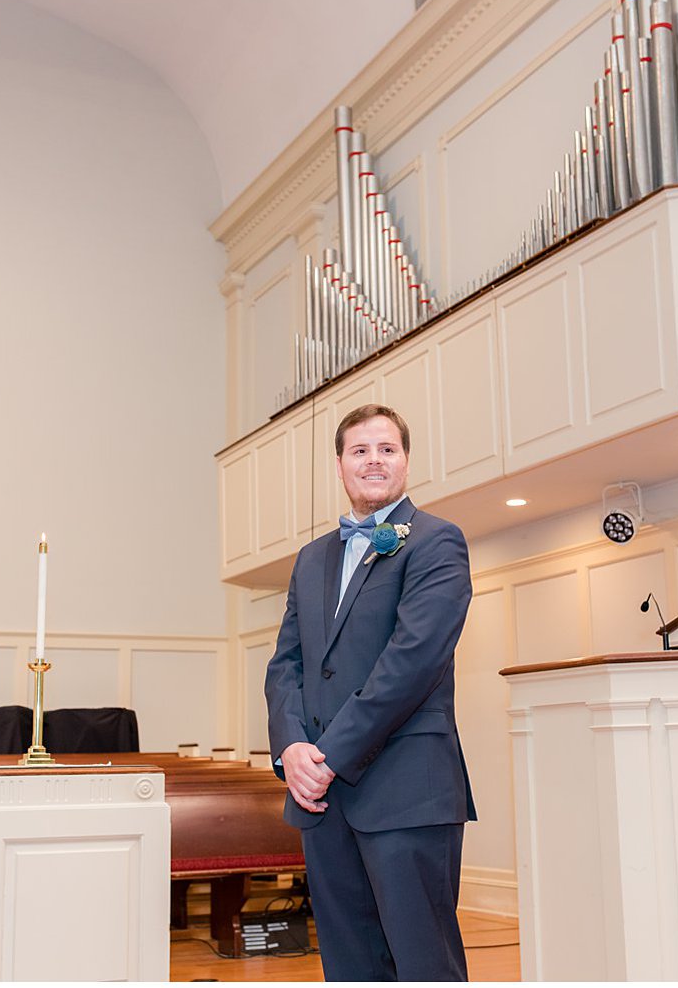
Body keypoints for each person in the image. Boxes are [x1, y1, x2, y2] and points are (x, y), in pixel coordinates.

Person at [265, 403, 476, 981]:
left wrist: (327, 756)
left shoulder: (437, 543)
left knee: (422, 963)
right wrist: (291, 749)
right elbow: (286, 663)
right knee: (350, 964)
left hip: (406, 790)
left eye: (387, 449)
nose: (374, 460)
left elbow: (411, 664)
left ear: (405, 461)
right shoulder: (311, 559)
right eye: (360, 450)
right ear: (340, 465)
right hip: (321, 798)